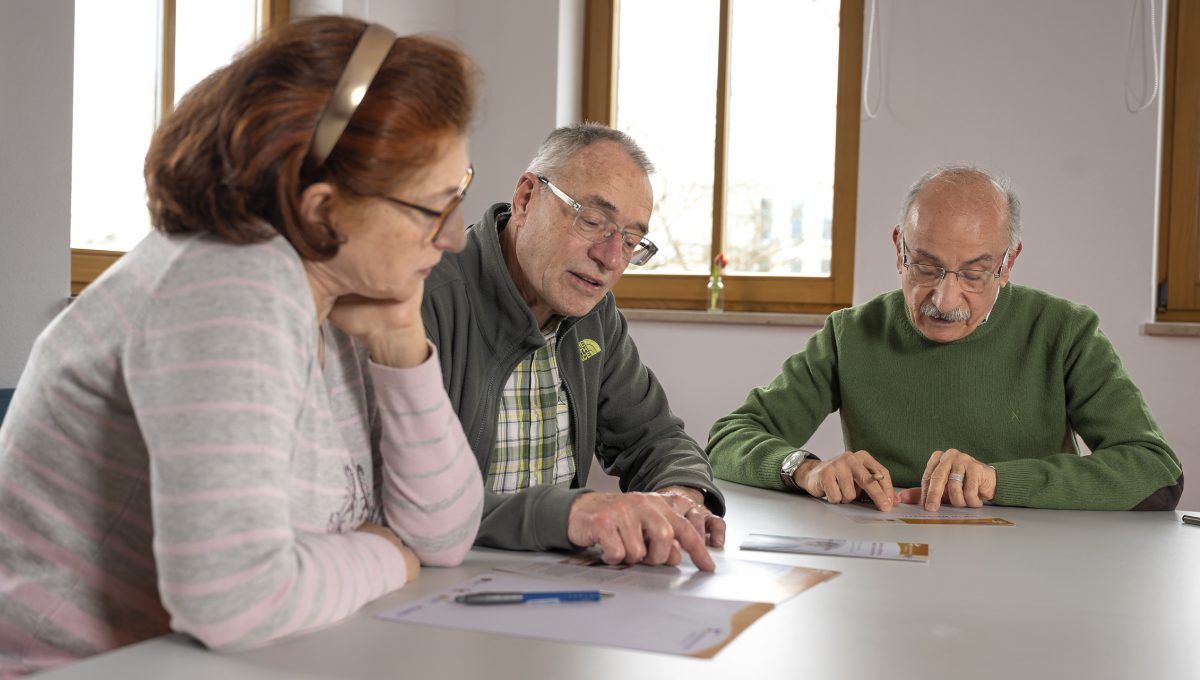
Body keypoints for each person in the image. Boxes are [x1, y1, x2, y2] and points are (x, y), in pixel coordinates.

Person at [0, 16, 484, 676]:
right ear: (322, 210)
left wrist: (401, 341)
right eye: (434, 207)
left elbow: (445, 536)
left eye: (461, 195)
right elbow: (234, 598)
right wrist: (383, 554)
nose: (454, 236)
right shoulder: (227, 287)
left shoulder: (332, 299)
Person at [708, 165, 1183, 512]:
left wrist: (996, 481)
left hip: (1036, 566)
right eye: (926, 267)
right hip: (886, 563)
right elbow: (728, 440)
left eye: (975, 274)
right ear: (899, 248)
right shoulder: (849, 334)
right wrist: (805, 469)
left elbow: (1155, 471)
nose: (944, 297)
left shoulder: (1065, 332)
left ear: (1008, 263)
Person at [421, 123, 727, 571]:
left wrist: (678, 497)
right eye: (593, 221)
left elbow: (656, 438)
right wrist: (571, 513)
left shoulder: (594, 315)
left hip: (560, 585)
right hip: (441, 581)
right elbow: (412, 497)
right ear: (526, 199)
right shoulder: (427, 295)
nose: (611, 259)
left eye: (629, 240)